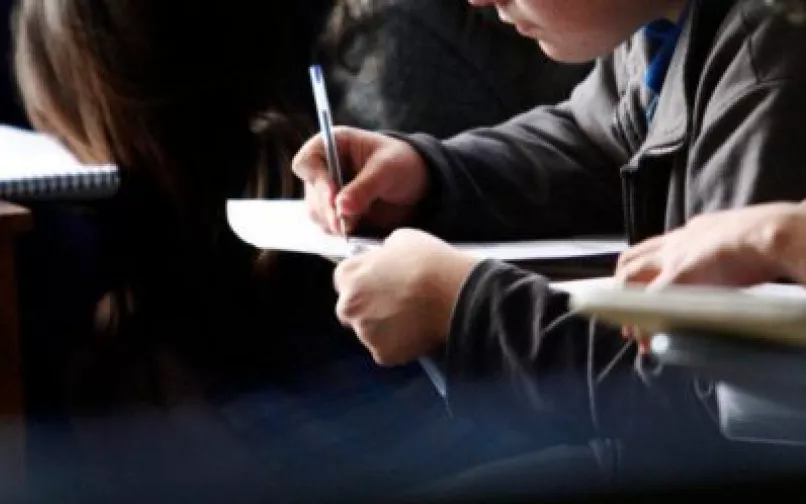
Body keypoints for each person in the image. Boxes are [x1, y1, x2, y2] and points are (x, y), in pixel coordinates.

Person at [292, 0, 806, 485]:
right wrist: (432, 174)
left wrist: (466, 311)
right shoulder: (664, 25)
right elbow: (592, 141)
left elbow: (721, 406)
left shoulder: (768, 74)